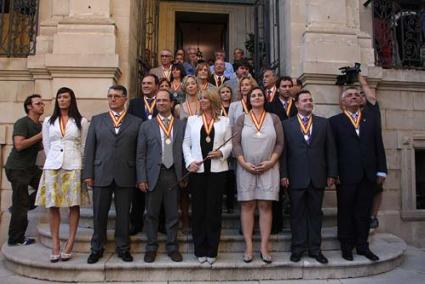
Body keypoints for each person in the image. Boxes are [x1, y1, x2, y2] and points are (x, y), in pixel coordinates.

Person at [83, 85, 142, 264]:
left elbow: (139, 152)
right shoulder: (97, 120)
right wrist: (88, 174)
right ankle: (97, 248)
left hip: (127, 173)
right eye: (110, 96)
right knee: (99, 213)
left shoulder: (136, 122)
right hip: (101, 172)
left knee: (124, 215)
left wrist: (140, 177)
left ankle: (123, 248)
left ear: (125, 99)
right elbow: (89, 149)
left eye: (117, 96)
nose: (113, 99)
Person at [329, 87, 387, 262]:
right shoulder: (334, 122)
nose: (354, 97)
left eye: (356, 95)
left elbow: (379, 146)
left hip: (368, 175)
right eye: (349, 95)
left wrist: (381, 170)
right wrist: (334, 173)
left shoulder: (371, 120)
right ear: (343, 102)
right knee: (345, 211)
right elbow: (332, 150)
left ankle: (362, 246)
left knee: (363, 212)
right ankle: (346, 246)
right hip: (346, 176)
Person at [280, 90, 337, 264]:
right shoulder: (286, 124)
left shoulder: (323, 124)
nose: (308, 102)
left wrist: (332, 174)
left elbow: (331, 151)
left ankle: (315, 249)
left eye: (310, 100)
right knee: (297, 214)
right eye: (304, 100)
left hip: (317, 177)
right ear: (296, 104)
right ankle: (297, 249)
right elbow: (283, 153)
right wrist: (284, 175)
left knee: (315, 214)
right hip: (295, 178)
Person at [35, 87, 90, 262]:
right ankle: (56, 243)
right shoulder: (48, 122)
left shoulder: (81, 121)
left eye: (65, 97)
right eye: (59, 97)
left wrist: (81, 168)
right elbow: (47, 144)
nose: (61, 100)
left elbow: (83, 146)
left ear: (71, 99)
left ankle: (70, 242)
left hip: (73, 164)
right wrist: (53, 161)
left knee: (73, 205)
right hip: (52, 165)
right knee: (53, 205)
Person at [232, 87, 284, 264]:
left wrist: (271, 161)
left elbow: (280, 143)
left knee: (265, 205)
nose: (256, 97)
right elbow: (235, 143)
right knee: (247, 205)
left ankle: (264, 246)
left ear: (265, 98)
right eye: (253, 95)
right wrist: (242, 162)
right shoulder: (242, 119)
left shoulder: (274, 118)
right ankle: (248, 246)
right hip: (245, 167)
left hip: (269, 167)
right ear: (248, 99)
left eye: (259, 95)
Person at [183, 89, 232, 264]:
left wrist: (221, 152)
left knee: (213, 211)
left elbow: (230, 144)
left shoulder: (225, 122)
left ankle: (212, 250)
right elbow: (186, 144)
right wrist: (190, 162)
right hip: (198, 171)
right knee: (198, 211)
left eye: (206, 98)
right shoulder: (192, 120)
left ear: (213, 101)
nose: (202, 101)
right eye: (201, 98)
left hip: (217, 172)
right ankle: (199, 249)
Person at [137, 90, 186, 263]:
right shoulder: (146, 126)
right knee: (151, 214)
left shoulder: (181, 125)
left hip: (173, 174)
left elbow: (185, 150)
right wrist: (141, 178)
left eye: (165, 100)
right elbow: (140, 155)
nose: (161, 103)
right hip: (152, 176)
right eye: (158, 100)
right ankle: (151, 247)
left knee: (173, 214)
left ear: (172, 103)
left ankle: (172, 247)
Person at [5, 94, 44, 246]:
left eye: (42, 104)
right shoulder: (23, 123)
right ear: (29, 106)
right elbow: (19, 145)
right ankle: (16, 239)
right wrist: (40, 136)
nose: (42, 106)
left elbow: (37, 146)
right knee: (20, 206)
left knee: (47, 185)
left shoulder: (39, 125)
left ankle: (21, 204)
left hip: (30, 168)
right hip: (17, 168)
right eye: (38, 103)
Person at [265, 75, 298, 234]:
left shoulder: (298, 105)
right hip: (276, 151)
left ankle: (294, 225)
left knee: (294, 189)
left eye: (289, 86)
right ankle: (276, 225)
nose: (286, 89)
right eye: (283, 86)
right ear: (277, 88)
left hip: (295, 152)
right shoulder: (270, 106)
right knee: (276, 190)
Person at [127, 74, 159, 236]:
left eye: (149, 83)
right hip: (138, 150)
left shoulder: (162, 101)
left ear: (157, 86)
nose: (145, 86)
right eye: (144, 83)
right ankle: (136, 222)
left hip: (156, 152)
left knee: (157, 190)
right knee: (137, 191)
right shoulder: (134, 104)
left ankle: (159, 224)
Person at [174, 75, 201, 233]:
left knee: (197, 187)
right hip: (184, 149)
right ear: (184, 87)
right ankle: (184, 219)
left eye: (193, 83)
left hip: (199, 148)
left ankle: (197, 219)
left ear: (197, 86)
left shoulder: (203, 104)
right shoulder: (179, 108)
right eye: (188, 84)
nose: (191, 86)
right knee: (183, 188)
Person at [358, 74, 383, 229]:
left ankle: (373, 216)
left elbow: (370, 95)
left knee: (377, 188)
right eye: (357, 94)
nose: (360, 97)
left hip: (373, 156)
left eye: (362, 94)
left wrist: (361, 80)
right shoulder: (350, 112)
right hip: (356, 158)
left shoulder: (372, 110)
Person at [218, 85, 235, 213]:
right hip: (220, 143)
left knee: (231, 175)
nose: (225, 94)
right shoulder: (217, 109)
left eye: (227, 91)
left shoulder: (236, 107)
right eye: (222, 92)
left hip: (233, 141)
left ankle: (230, 204)